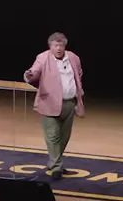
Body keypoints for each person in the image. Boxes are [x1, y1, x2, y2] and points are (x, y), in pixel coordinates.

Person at [23, 32, 85, 180]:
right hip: (49, 103)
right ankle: (56, 167)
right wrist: (29, 75)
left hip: (69, 102)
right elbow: (34, 72)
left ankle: (54, 163)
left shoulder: (73, 58)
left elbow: (79, 74)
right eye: (55, 45)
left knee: (64, 136)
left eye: (61, 45)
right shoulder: (42, 57)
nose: (58, 48)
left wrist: (78, 94)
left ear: (65, 46)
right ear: (50, 46)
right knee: (52, 137)